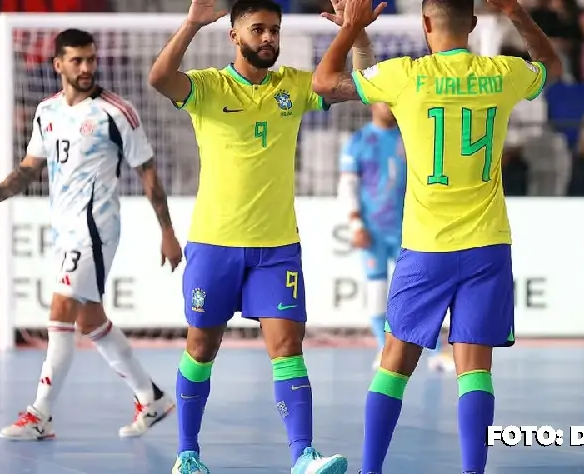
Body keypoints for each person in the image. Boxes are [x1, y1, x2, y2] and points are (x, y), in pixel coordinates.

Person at [312, 0, 561, 471]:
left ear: (425, 24)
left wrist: (351, 30)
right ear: (472, 24)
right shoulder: (502, 73)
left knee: (393, 365)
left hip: (426, 247)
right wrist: (515, 13)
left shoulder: (408, 76)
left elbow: (324, 83)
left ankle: (371, 471)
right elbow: (552, 65)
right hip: (487, 245)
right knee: (475, 369)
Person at [147, 0, 375, 472]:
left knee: (288, 348)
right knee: (200, 347)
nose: (268, 37)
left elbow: (365, 88)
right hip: (214, 244)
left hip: (276, 249)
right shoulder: (207, 86)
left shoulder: (295, 84)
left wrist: (358, 34)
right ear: (235, 35)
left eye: (275, 29)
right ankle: (187, 455)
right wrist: (192, 23)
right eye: (258, 29)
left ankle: (303, 457)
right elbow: (159, 78)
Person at [0, 29, 180, 440]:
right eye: (76, 60)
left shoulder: (116, 112)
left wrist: (166, 231)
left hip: (95, 229)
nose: (85, 68)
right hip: (63, 229)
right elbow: (30, 168)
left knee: (60, 308)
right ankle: (150, 397)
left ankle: (40, 414)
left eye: (90, 60)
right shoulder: (46, 112)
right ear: (57, 64)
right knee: (90, 320)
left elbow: (147, 171)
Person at [337, 103, 455, 372]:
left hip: (410, 230)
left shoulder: (410, 136)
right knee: (377, 292)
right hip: (374, 232)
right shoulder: (359, 142)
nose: (389, 106)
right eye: (383, 100)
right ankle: (383, 348)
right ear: (371, 104)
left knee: (418, 293)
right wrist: (356, 224)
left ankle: (436, 351)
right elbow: (347, 185)